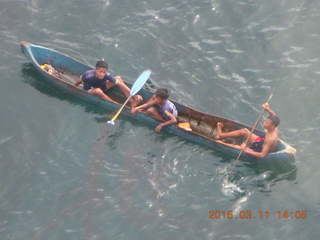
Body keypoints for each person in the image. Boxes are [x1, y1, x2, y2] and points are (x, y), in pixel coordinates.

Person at [216, 103, 280, 158]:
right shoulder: (274, 127)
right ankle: (221, 135)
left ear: (272, 126)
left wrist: (245, 150)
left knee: (238, 147)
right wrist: (268, 109)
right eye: (265, 121)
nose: (264, 123)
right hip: (261, 143)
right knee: (244, 131)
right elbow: (274, 115)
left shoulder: (271, 139)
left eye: (267, 123)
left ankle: (220, 143)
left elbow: (262, 155)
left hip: (260, 150)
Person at [74, 60, 142, 107]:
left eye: (104, 72)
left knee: (118, 78)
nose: (102, 74)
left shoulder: (107, 75)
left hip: (101, 87)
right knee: (98, 91)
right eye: (100, 72)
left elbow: (120, 84)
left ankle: (132, 101)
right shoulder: (88, 75)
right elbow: (79, 81)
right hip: (90, 90)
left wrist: (133, 95)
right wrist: (74, 87)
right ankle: (113, 104)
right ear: (96, 70)